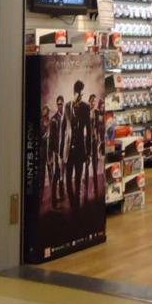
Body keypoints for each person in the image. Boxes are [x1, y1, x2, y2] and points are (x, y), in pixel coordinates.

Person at [66, 80, 90, 209]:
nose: (82, 95)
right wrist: (60, 152)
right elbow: (63, 131)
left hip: (80, 150)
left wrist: (89, 153)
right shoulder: (67, 106)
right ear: (76, 92)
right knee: (68, 179)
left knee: (78, 179)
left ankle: (77, 206)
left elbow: (89, 131)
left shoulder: (85, 107)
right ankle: (72, 203)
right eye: (81, 93)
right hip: (68, 151)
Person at [47, 97, 67, 208]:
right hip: (56, 152)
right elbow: (50, 139)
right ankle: (54, 202)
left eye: (61, 104)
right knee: (56, 175)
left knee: (62, 174)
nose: (60, 106)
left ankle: (62, 195)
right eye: (58, 104)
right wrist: (51, 155)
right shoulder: (53, 119)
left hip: (64, 151)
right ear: (56, 104)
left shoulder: (65, 118)